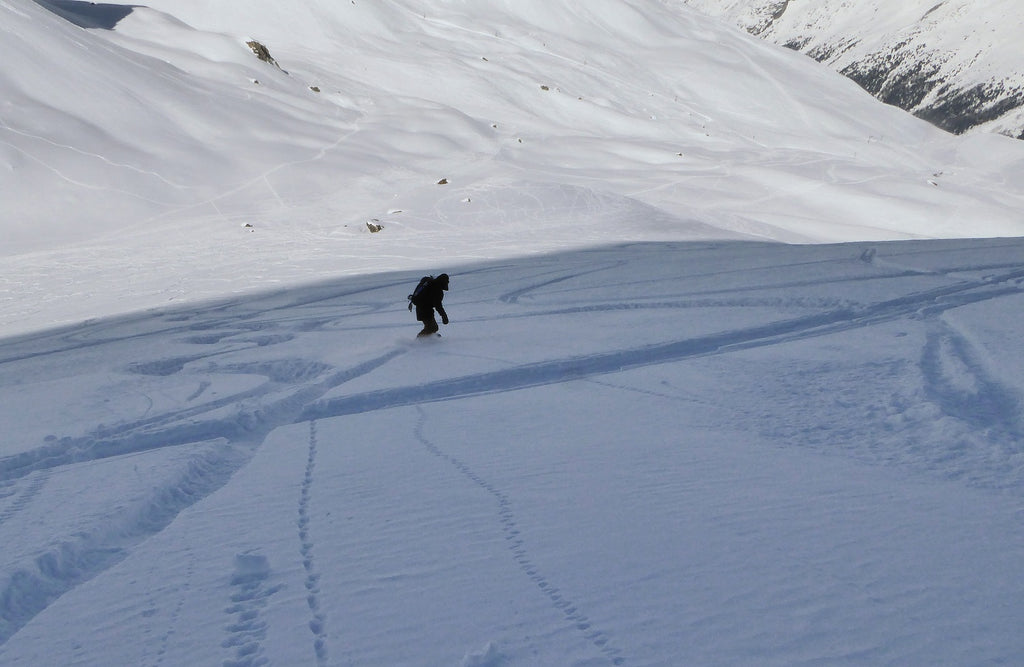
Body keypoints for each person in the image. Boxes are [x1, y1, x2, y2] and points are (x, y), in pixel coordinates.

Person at [412, 273, 450, 337]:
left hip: (422, 308)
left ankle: (429, 339)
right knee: (431, 327)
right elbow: (438, 305)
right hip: (424, 309)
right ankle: (419, 341)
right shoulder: (436, 289)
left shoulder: (431, 283)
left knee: (432, 327)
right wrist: (444, 316)